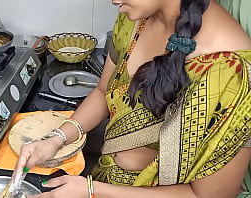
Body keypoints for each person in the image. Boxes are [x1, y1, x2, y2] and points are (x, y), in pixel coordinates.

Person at [15, 0, 251, 197]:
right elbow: (102, 92)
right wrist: (57, 139)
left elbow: (210, 196)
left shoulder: (231, 70)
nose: (114, 0)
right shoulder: (136, 17)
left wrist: (91, 189)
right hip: (106, 181)